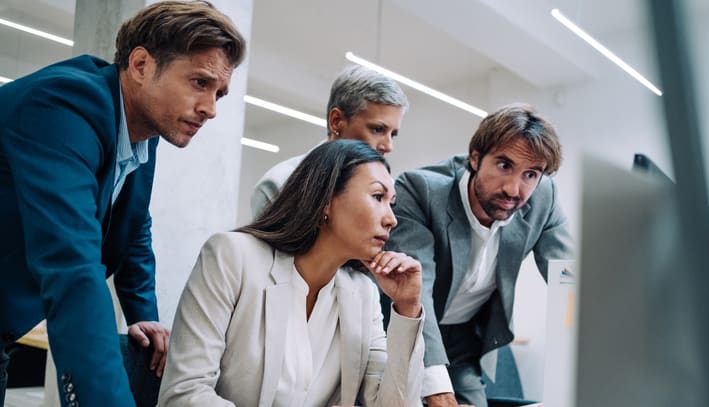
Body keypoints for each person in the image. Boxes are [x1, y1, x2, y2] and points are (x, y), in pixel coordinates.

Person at [0, 1, 245, 405]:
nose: (211, 109)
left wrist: (141, 312)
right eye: (200, 82)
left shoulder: (139, 131)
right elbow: (73, 269)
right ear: (141, 64)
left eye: (219, 92)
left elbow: (131, 223)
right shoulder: (63, 107)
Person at [158, 140, 424, 407]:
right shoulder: (231, 256)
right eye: (378, 197)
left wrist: (407, 308)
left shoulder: (363, 293)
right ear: (326, 200)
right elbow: (184, 394)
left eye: (392, 203)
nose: (392, 219)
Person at [385, 103, 575, 407]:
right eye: (504, 166)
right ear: (475, 158)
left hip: (463, 342)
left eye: (530, 174)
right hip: (402, 332)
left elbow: (568, 278)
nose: (514, 189)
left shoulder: (544, 198)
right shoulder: (420, 191)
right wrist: (437, 391)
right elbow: (417, 292)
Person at [251, 64, 408, 218]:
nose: (388, 146)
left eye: (392, 134)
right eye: (377, 130)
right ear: (336, 121)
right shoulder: (279, 185)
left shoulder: (389, 193)